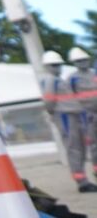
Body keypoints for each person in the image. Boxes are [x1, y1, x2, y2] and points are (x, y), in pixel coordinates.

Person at [41, 50, 97, 192]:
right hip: (65, 116)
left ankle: (82, 179)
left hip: (75, 115)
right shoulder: (50, 80)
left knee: (80, 147)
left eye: (58, 65)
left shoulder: (57, 79)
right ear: (46, 66)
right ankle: (81, 181)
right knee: (74, 148)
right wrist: (54, 113)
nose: (57, 68)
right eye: (53, 65)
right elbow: (49, 102)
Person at [69, 46, 97, 192]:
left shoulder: (94, 74)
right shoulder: (72, 78)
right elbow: (71, 98)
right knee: (90, 145)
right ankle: (84, 180)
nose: (83, 63)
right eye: (79, 61)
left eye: (84, 60)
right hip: (85, 115)